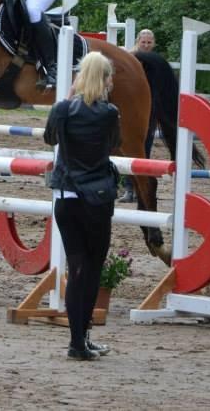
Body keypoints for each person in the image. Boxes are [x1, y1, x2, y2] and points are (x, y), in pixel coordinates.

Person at [43, 51, 119, 360]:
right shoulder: (109, 112)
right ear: (104, 79)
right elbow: (114, 144)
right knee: (92, 269)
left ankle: (78, 342)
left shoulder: (62, 109)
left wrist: (70, 97)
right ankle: (81, 338)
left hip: (66, 196)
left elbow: (49, 139)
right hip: (96, 198)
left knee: (75, 268)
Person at [121, 29, 157, 203]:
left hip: (149, 112)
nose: (146, 45)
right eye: (144, 42)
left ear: (154, 44)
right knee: (128, 150)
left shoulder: (156, 63)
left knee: (145, 150)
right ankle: (129, 189)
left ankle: (142, 188)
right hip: (130, 111)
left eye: (149, 42)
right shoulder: (129, 59)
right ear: (138, 41)